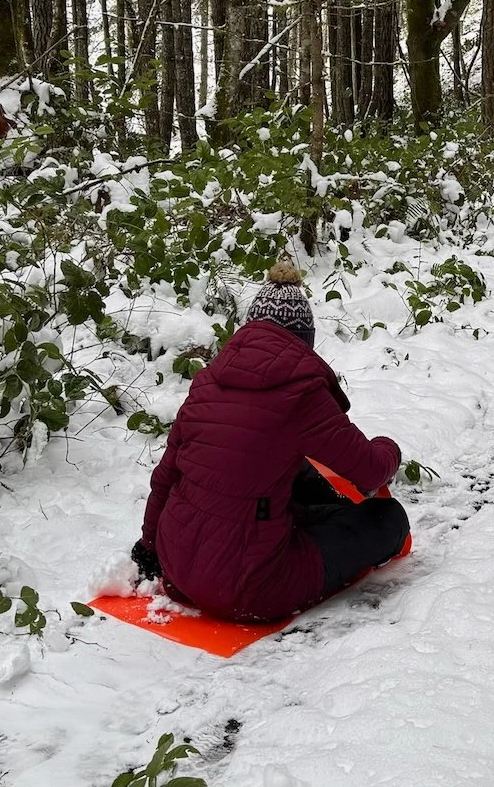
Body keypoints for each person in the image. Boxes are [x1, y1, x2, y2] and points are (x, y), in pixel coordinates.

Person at [132, 261, 409, 623]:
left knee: (287, 468)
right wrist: (390, 447)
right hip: (252, 589)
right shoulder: (302, 392)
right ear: (303, 340)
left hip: (177, 570)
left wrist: (149, 545)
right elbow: (370, 471)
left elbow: (166, 476)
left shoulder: (206, 383)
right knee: (387, 518)